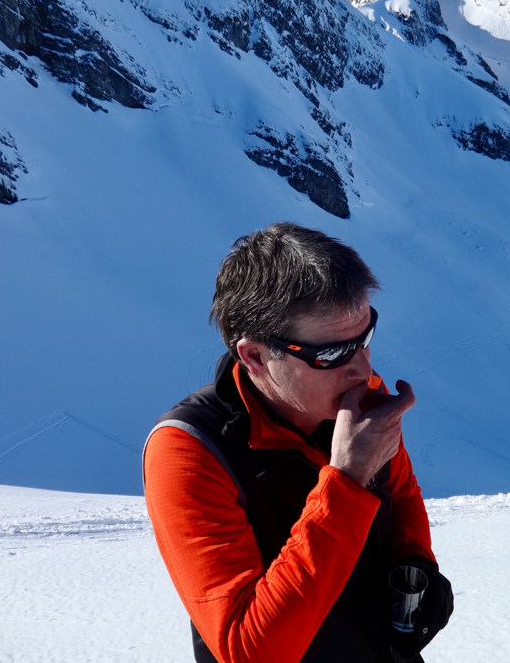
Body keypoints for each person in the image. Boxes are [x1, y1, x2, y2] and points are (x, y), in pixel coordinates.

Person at [143, 222, 453, 663]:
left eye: (365, 338)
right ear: (255, 356)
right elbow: (249, 651)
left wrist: (415, 560)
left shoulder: (357, 398)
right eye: (331, 354)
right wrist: (348, 478)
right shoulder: (188, 450)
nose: (363, 369)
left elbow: (400, 491)